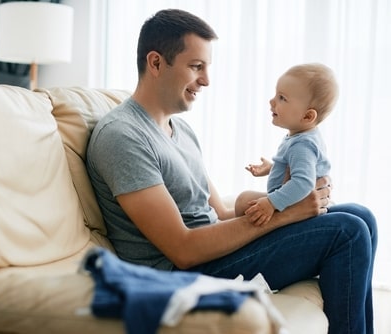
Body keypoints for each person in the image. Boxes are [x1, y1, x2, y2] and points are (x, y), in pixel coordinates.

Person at [86, 8, 377, 334]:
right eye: (196, 67)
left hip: (215, 255)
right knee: (347, 231)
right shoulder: (123, 136)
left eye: (207, 67)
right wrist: (285, 214)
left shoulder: (180, 130)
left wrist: (281, 195)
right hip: (182, 275)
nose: (207, 80)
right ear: (155, 63)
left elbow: (220, 210)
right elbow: (182, 250)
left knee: (362, 216)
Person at [235, 63, 337, 226]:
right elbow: (297, 168)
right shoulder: (302, 136)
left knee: (242, 202)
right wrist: (273, 168)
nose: (272, 101)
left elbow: (303, 183)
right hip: (297, 204)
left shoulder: (302, 145)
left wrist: (271, 203)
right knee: (244, 201)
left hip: (300, 212)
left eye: (282, 98)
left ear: (307, 116)